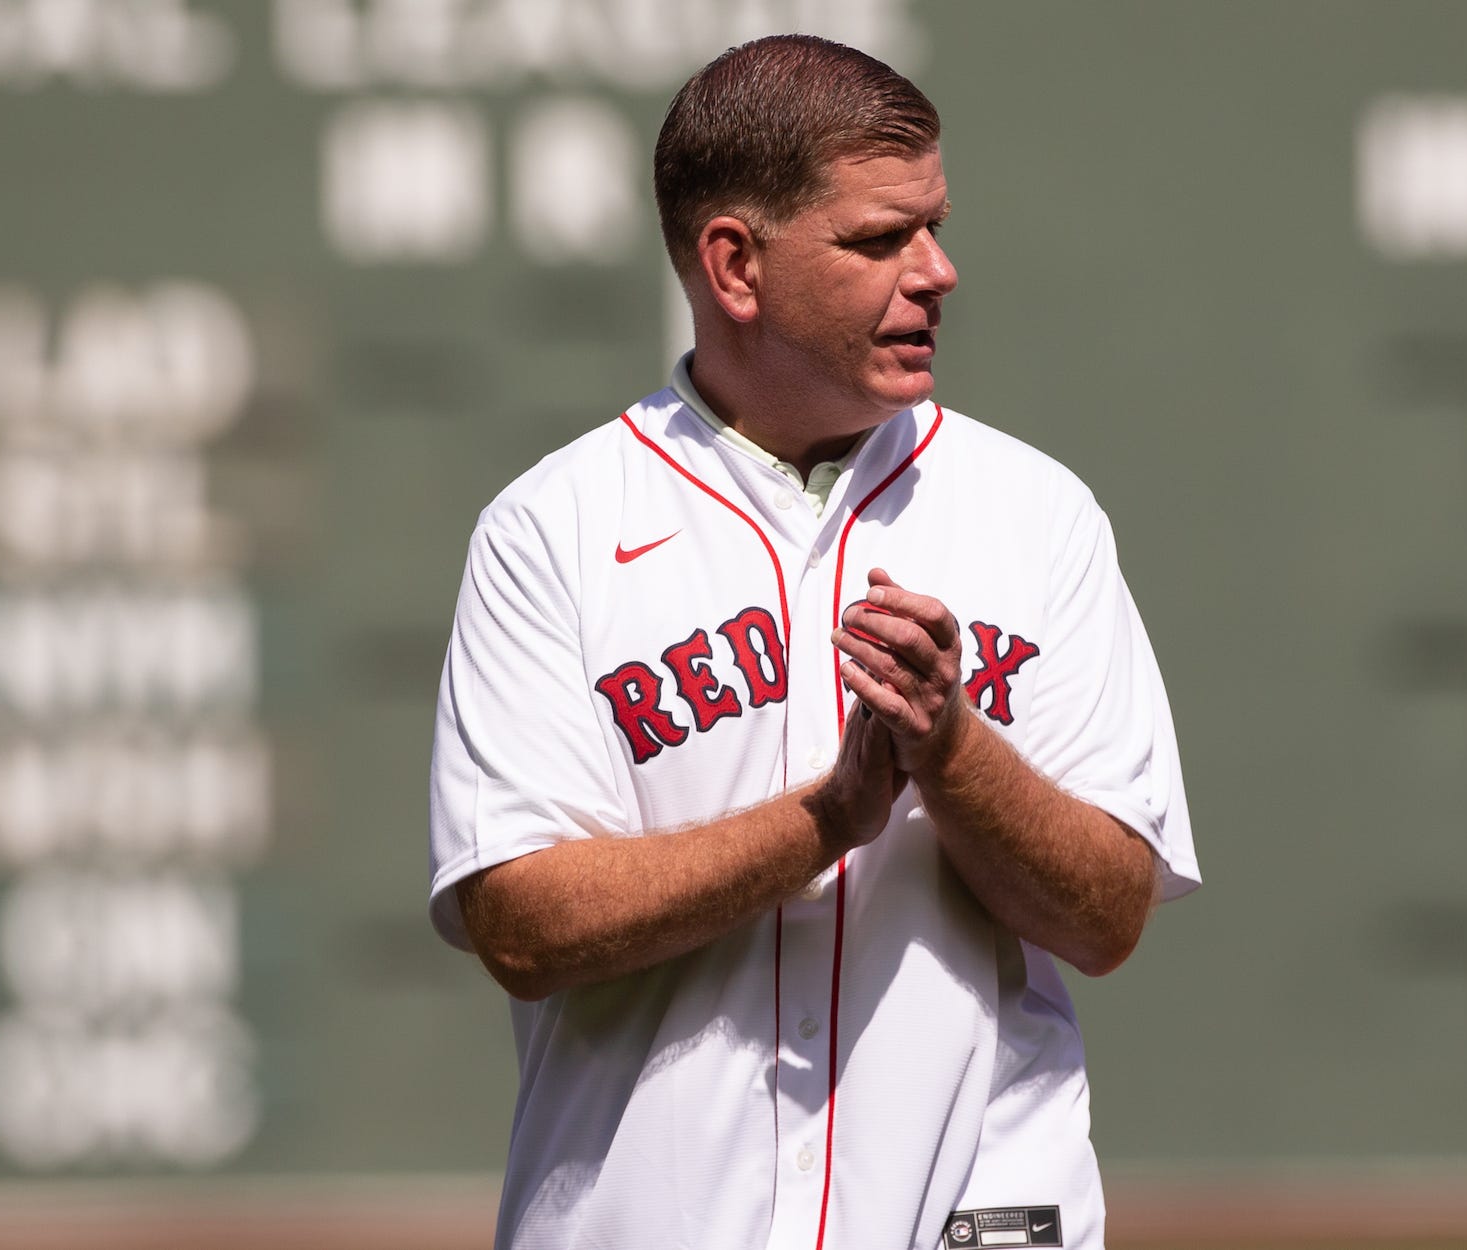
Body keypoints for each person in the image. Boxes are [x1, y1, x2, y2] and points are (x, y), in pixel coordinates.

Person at [426, 33, 1198, 1250]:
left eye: (934, 225)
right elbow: (522, 922)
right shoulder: (555, 529)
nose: (938, 271)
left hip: (979, 1216)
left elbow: (1107, 914)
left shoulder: (1033, 512)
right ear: (735, 264)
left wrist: (952, 751)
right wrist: (827, 820)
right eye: (879, 239)